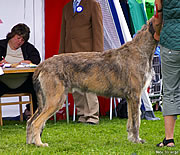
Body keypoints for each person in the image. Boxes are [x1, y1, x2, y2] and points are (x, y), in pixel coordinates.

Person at [59, 0, 104, 125]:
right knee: (75, 86)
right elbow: (64, 32)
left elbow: (98, 30)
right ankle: (82, 114)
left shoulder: (93, 4)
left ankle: (92, 116)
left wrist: (97, 54)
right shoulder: (67, 7)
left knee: (89, 85)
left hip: (87, 54)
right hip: (70, 54)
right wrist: (61, 55)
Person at [0, 23, 41, 120]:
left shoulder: (28, 47)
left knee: (39, 86)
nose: (20, 42)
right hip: (3, 82)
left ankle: (31, 113)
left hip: (23, 82)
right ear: (12, 35)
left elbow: (36, 58)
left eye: (22, 40)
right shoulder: (1, 45)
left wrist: (29, 61)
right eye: (18, 38)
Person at [153, 0, 180, 147]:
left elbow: (158, 16)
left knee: (170, 91)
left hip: (170, 45)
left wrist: (157, 33)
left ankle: (169, 139)